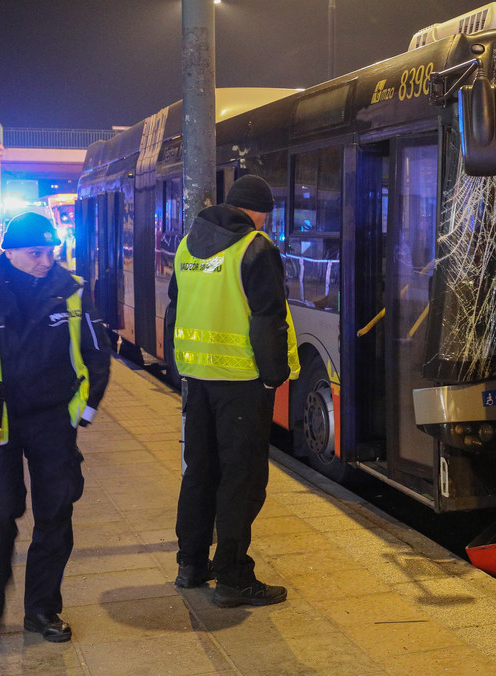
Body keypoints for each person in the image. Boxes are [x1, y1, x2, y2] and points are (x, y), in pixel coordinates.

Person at [0, 212, 112, 642]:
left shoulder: (72, 292)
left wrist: (83, 412)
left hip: (52, 422)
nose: (46, 260)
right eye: (35, 253)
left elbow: (97, 353)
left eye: (51, 252)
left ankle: (43, 611)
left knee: (56, 514)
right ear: (8, 252)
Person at [164, 174, 300, 607]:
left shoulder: (188, 247)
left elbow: (174, 307)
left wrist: (179, 367)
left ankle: (191, 564)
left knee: (200, 471)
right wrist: (273, 376)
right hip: (241, 384)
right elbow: (268, 318)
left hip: (197, 379)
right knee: (242, 479)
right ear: (259, 212)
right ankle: (233, 576)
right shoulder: (255, 248)